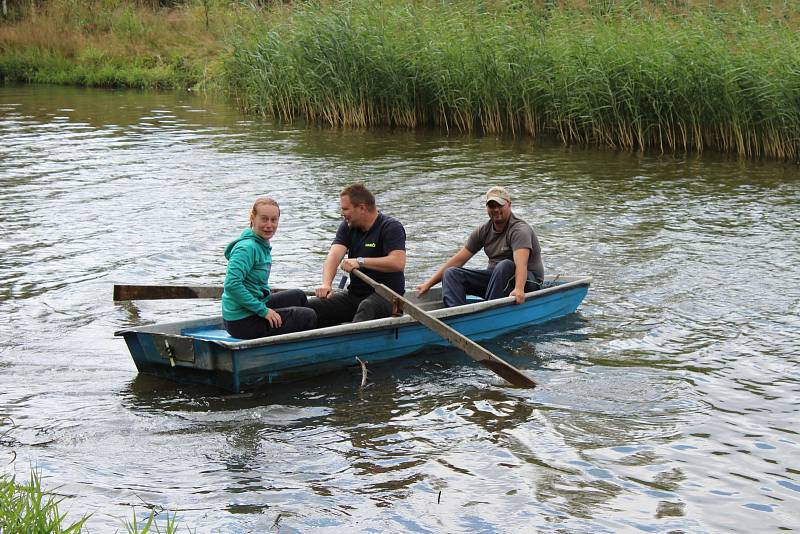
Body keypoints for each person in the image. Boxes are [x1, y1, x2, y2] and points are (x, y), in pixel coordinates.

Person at [416, 186, 544, 307]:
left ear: (509, 205)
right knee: (451, 273)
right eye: (491, 206)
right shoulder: (483, 230)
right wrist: (428, 284)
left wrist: (519, 289)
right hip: (497, 282)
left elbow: (522, 264)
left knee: (505, 265)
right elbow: (459, 260)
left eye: (500, 205)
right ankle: (458, 316)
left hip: (527, 282)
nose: (496, 210)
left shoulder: (519, 230)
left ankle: (489, 311)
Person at [307, 184, 406, 328]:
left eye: (345, 209)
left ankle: (350, 346)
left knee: (367, 307)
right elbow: (334, 256)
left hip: (389, 298)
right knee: (312, 306)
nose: (342, 213)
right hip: (355, 295)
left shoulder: (391, 227)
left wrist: (360, 261)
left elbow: (398, 263)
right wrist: (326, 284)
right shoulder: (347, 226)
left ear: (362, 208)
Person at [221, 197, 317, 339]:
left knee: (298, 296)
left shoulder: (260, 244)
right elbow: (231, 285)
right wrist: (264, 311)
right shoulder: (247, 248)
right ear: (253, 218)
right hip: (241, 321)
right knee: (307, 316)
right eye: (264, 219)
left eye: (274, 220)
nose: (269, 225)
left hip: (254, 307)